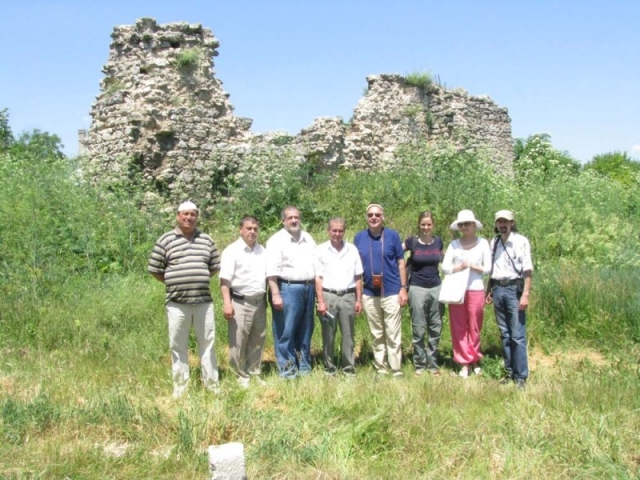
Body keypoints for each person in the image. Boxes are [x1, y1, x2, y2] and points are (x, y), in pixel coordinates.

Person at [148, 201, 220, 398]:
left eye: (193, 214)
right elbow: (155, 269)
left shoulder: (206, 240)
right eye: (185, 214)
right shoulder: (165, 240)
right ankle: (180, 389)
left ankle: (212, 386)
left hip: (203, 302)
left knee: (208, 343)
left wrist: (196, 278)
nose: (189, 218)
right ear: (177, 216)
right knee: (178, 345)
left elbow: (213, 267)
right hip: (177, 303)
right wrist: (174, 281)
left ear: (197, 217)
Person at [354, 203, 408, 377]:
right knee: (376, 332)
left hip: (392, 291)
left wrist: (403, 288)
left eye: (377, 214)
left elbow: (401, 263)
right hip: (369, 293)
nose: (374, 217)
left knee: (393, 331)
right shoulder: (359, 238)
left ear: (383, 217)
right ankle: (381, 367)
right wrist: (358, 295)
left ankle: (396, 367)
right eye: (370, 214)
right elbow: (355, 268)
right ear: (366, 217)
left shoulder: (392, 236)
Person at [266, 206, 317, 378]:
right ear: (283, 221)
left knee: (305, 330)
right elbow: (271, 271)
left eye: (296, 217)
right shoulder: (276, 240)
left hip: (308, 288)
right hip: (286, 289)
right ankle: (288, 370)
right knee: (285, 331)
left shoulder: (308, 238)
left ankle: (303, 367)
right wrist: (275, 295)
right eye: (290, 218)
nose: (294, 221)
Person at [485, 210, 533, 390]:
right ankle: (509, 371)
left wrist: (525, 294)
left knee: (517, 335)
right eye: (499, 222)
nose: (502, 225)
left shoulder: (521, 242)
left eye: (505, 221)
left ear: (512, 223)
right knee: (505, 333)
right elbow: (492, 269)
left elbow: (527, 270)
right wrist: (489, 290)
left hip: (514, 289)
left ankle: (521, 376)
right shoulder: (495, 242)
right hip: (498, 288)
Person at [219, 215, 267, 388]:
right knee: (239, 340)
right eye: (248, 228)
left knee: (258, 338)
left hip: (259, 301)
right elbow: (225, 281)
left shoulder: (262, 250)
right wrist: (227, 303)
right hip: (240, 301)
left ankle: (255, 371)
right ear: (241, 230)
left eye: (255, 228)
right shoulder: (231, 251)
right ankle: (240, 374)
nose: (252, 232)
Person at [442, 209, 491, 378]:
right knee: (458, 326)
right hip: (457, 290)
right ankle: (463, 361)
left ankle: (475, 358)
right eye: (462, 224)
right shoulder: (454, 244)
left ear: (474, 225)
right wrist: (458, 268)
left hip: (476, 288)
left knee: (475, 326)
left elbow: (488, 269)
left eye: (468, 224)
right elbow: (445, 267)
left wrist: (473, 266)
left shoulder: (483, 243)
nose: (465, 227)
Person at [314, 217, 364, 377]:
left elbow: (358, 277)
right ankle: (329, 368)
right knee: (328, 334)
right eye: (334, 230)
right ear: (328, 231)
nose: (337, 233)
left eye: (340, 230)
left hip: (348, 296)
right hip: (328, 296)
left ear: (344, 231)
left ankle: (348, 368)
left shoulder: (352, 249)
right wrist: (320, 301)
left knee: (348, 335)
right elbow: (318, 278)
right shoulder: (320, 250)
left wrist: (358, 299)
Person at [403, 211, 445, 376]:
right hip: (417, 288)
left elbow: (446, 261)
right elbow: (395, 253)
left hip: (436, 288)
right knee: (419, 328)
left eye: (429, 224)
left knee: (436, 327)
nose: (426, 227)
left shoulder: (438, 242)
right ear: (418, 225)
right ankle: (420, 365)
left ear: (432, 225)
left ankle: (433, 363)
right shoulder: (412, 242)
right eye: (423, 224)